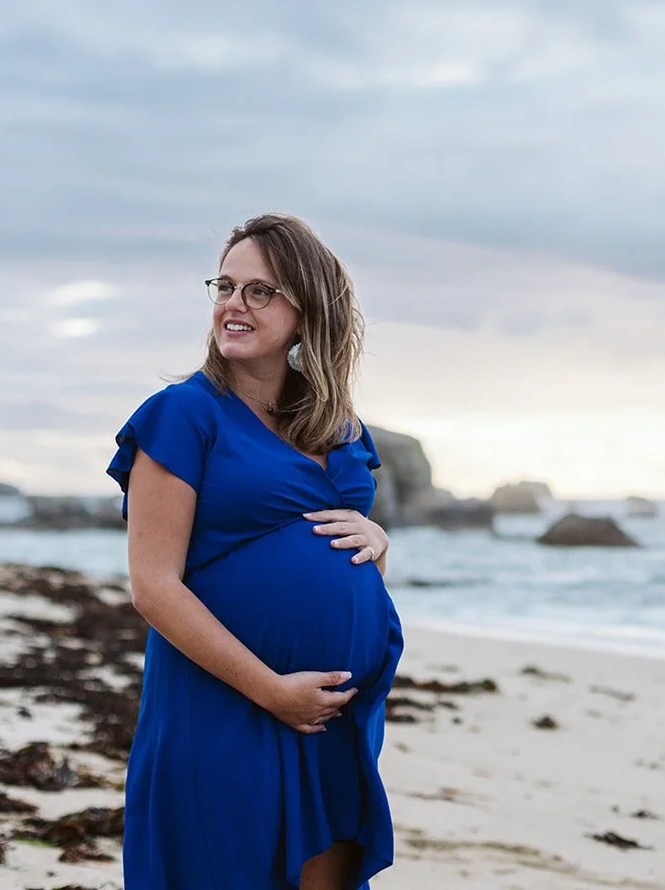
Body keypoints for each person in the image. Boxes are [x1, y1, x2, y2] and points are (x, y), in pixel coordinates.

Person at [107, 214, 402, 890]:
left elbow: (339, 544)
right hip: (223, 702)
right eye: (226, 286)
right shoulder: (183, 414)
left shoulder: (337, 422)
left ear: (307, 310)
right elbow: (153, 586)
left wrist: (377, 542)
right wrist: (272, 690)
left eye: (260, 291)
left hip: (330, 711)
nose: (233, 304)